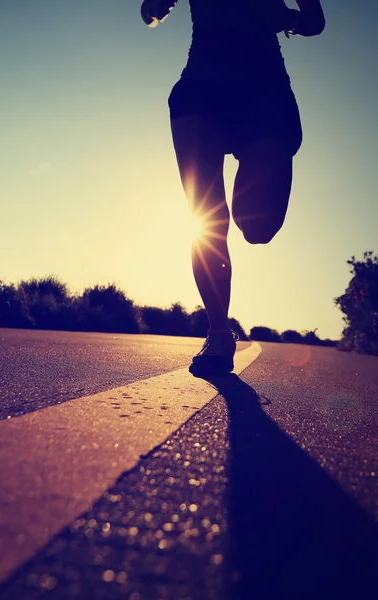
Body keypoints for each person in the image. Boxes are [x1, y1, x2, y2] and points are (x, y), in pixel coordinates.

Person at [140, 0, 325, 375]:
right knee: (207, 218)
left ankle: (251, 165)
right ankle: (219, 332)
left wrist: (286, 18)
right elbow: (149, 13)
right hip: (201, 90)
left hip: (265, 95)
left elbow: (315, 21)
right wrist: (157, 6)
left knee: (259, 228)